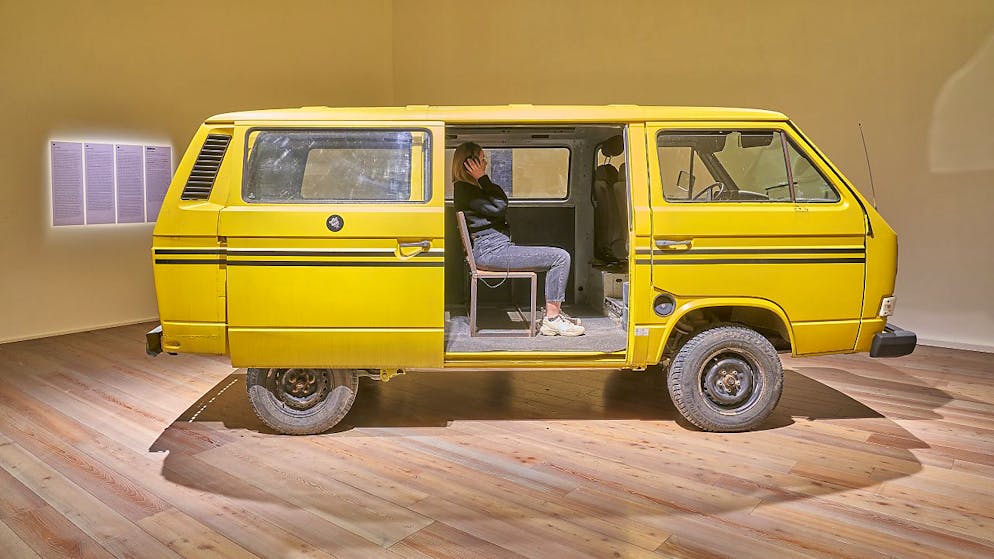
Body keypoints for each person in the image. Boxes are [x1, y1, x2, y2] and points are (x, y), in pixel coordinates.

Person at [452, 142, 585, 336]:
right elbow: (500, 206)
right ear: (469, 163)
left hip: (492, 248)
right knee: (561, 257)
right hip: (491, 251)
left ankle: (553, 314)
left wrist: (481, 180)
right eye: (482, 159)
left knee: (559, 256)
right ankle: (552, 319)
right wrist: (482, 177)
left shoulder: (469, 189)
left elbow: (498, 205)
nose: (485, 163)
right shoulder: (466, 190)